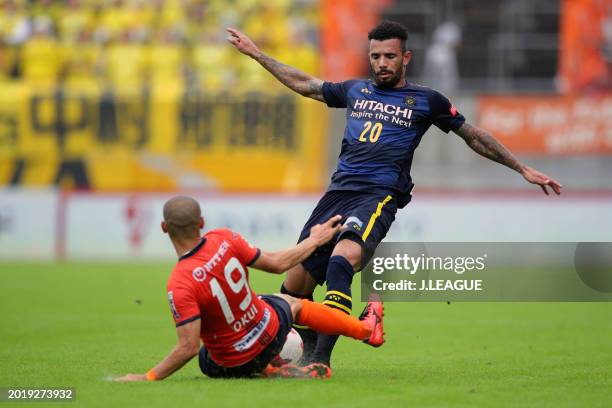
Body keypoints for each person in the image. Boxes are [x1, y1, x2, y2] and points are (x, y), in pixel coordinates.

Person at [226, 20, 563, 369]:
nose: (382, 63)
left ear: (406, 57)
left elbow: (473, 136)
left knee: (343, 259)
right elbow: (306, 85)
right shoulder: (355, 90)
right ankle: (307, 348)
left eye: (390, 56)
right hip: (337, 193)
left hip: (378, 195)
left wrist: (522, 168)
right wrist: (257, 54)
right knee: (295, 285)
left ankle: (321, 363)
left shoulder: (427, 100)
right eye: (375, 56)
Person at [115, 196, 384, 381]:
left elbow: (186, 347)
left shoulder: (179, 283)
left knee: (204, 359)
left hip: (233, 363)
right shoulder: (224, 238)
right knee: (292, 302)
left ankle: (267, 369)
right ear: (200, 222)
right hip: (269, 336)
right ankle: (364, 330)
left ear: (164, 228)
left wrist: (147, 377)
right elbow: (278, 264)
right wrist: (314, 240)